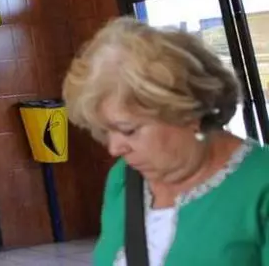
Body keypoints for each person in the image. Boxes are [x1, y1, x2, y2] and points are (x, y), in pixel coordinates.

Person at [62, 17, 269, 265]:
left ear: (188, 112)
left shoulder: (260, 184)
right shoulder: (124, 179)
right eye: (106, 131)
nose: (114, 148)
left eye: (128, 130)